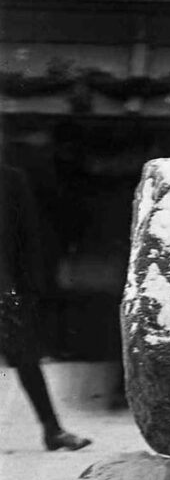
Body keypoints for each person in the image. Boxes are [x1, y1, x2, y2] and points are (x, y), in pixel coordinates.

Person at [1, 163, 85, 452]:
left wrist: (31, 285)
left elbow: (29, 235)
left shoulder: (10, 179)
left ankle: (53, 430)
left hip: (6, 288)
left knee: (26, 357)